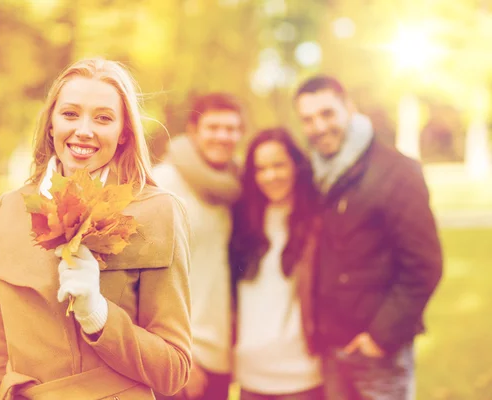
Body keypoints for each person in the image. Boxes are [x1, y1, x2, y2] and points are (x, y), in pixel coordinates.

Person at [0, 58, 192, 400]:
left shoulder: (157, 211)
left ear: (124, 133)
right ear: (50, 123)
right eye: (70, 114)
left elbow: (174, 371)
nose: (84, 130)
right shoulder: (10, 208)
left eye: (103, 118)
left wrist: (99, 315)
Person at [293, 75, 443, 400]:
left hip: (379, 355)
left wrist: (380, 338)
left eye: (327, 113)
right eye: (308, 119)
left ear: (349, 108)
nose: (319, 126)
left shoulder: (397, 172)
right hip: (332, 350)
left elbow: (425, 265)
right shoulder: (317, 174)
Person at [153, 93, 245, 400]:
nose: (222, 136)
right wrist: (179, 353)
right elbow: (143, 278)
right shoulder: (163, 183)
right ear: (193, 131)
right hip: (180, 353)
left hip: (221, 352)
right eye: (213, 127)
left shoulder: (237, 188)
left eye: (231, 129)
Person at [229, 128, 324, 400]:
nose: (270, 176)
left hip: (303, 375)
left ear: (297, 165)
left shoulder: (318, 221)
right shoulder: (243, 220)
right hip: (251, 374)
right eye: (261, 168)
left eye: (278, 165)